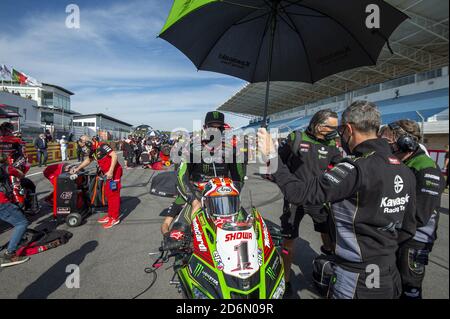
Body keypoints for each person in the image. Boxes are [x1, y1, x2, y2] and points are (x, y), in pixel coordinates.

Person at [258, 101, 417, 299]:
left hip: (356, 279)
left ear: (348, 129)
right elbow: (409, 228)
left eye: (340, 129)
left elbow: (297, 193)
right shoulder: (405, 171)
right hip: (389, 275)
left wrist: (271, 156)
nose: (338, 135)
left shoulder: (355, 168)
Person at [277, 109, 341, 297]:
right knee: (288, 242)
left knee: (329, 235)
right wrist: (286, 184)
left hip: (318, 198)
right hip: (294, 198)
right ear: (319, 125)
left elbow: (341, 166)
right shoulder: (295, 137)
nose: (335, 131)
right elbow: (276, 163)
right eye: (331, 127)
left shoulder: (332, 143)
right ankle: (286, 281)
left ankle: (327, 271)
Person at [380, 120, 446, 299]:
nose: (383, 144)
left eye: (387, 141)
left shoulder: (426, 168)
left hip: (413, 241)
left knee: (409, 289)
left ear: (405, 142)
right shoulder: (401, 163)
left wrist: (387, 239)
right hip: (398, 236)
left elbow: (419, 217)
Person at [161, 111, 246, 237]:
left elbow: (239, 179)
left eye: (219, 128)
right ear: (205, 128)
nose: (216, 131)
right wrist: (194, 200)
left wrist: (229, 194)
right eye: (212, 127)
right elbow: (181, 176)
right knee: (178, 235)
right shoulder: (192, 148)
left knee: (247, 230)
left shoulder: (231, 150)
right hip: (196, 196)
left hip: (223, 197)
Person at [70, 136, 123, 229]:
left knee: (113, 195)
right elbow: (88, 160)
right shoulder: (93, 150)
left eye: (83, 146)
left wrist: (110, 171)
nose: (83, 148)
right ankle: (110, 215)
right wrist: (77, 168)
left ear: (88, 142)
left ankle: (114, 218)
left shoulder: (102, 146)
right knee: (108, 194)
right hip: (106, 174)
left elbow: (114, 155)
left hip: (114, 173)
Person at [0, 153, 30, 267]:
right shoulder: (7, 167)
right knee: (22, 223)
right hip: (2, 201)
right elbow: (21, 175)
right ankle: (9, 254)